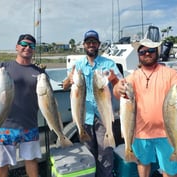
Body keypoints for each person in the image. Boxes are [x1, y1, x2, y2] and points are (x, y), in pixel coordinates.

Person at [113, 38, 177, 177]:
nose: (147, 54)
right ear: (138, 55)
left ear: (156, 52)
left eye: (150, 50)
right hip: (140, 132)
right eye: (143, 51)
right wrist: (117, 88)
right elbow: (118, 93)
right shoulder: (133, 77)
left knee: (169, 170)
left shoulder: (170, 74)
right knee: (143, 164)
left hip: (167, 132)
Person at [0, 34, 44, 177]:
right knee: (1, 164)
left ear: (34, 50)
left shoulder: (39, 73)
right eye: (24, 44)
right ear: (17, 47)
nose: (27, 48)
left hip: (30, 125)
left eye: (31, 46)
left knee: (31, 160)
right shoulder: (3, 67)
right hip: (5, 125)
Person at [63, 30, 123, 177]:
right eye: (88, 42)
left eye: (94, 42)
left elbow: (120, 85)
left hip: (103, 114)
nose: (91, 45)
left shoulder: (108, 64)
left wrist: (114, 79)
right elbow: (65, 86)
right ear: (84, 45)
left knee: (105, 151)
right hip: (84, 115)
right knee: (88, 151)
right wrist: (69, 80)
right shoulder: (78, 65)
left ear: (98, 45)